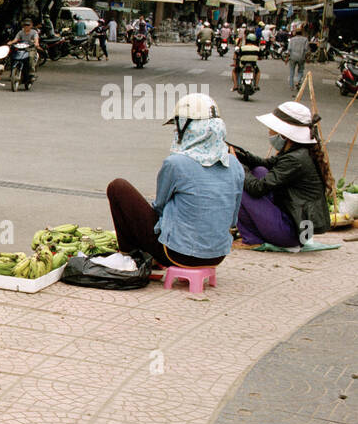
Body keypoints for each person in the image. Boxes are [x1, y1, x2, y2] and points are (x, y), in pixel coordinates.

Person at [106, 94, 243, 270]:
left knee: (118, 187)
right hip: (217, 255)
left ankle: (130, 256)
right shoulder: (234, 164)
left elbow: (160, 207)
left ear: (188, 128)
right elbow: (233, 219)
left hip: (176, 254)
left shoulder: (176, 163)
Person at [228, 102, 332, 248]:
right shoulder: (299, 152)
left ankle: (252, 239)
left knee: (239, 184)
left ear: (283, 135)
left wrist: (238, 166)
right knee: (259, 171)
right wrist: (240, 155)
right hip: (298, 230)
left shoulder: (295, 159)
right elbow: (265, 164)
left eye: (271, 131)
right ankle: (255, 235)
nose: (270, 134)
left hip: (291, 234)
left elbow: (257, 188)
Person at [286, 26, 308, 95]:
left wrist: (287, 58)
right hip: (301, 57)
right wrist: (307, 58)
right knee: (300, 71)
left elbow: (289, 49)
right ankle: (298, 81)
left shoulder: (292, 39)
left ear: (295, 33)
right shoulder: (305, 39)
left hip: (292, 57)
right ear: (301, 33)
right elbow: (306, 49)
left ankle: (291, 86)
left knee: (292, 71)